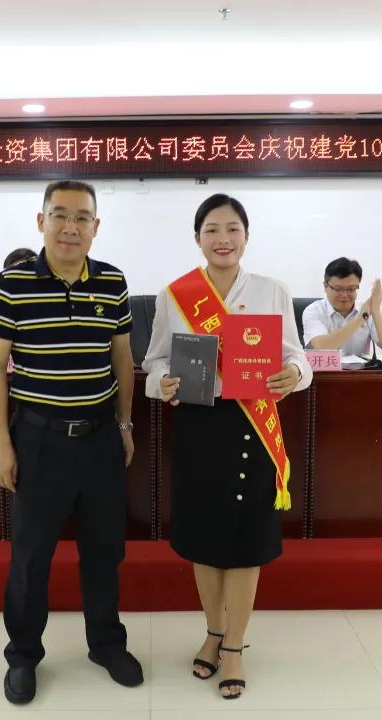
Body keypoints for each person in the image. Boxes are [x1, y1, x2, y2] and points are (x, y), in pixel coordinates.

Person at [142, 193, 311, 699]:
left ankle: (234, 645)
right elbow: (154, 361)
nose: (223, 239)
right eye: (212, 229)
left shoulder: (271, 290)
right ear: (197, 238)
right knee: (205, 540)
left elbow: (297, 357)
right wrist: (161, 384)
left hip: (252, 427)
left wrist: (293, 375)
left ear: (246, 236)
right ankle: (213, 633)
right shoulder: (175, 295)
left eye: (233, 228)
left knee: (244, 542)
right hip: (199, 426)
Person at [0, 180, 143, 705]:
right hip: (39, 441)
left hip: (99, 439)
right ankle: (23, 655)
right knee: (31, 556)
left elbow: (122, 358)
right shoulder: (11, 285)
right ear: (41, 221)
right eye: (60, 215)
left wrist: (124, 424)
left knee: (104, 550)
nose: (70, 227)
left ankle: (106, 644)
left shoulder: (112, 281)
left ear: (96, 226)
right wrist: (0, 442)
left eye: (82, 218)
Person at [301, 257, 382, 356]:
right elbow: (320, 348)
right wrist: (360, 319)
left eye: (351, 289)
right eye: (338, 289)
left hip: (359, 367)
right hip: (326, 367)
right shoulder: (313, 311)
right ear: (325, 286)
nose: (344, 295)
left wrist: (376, 310)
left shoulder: (366, 310)